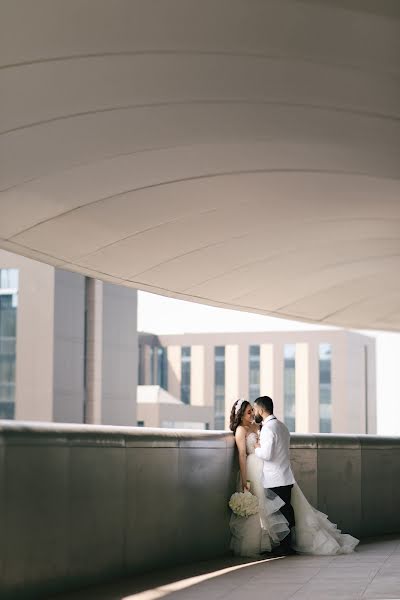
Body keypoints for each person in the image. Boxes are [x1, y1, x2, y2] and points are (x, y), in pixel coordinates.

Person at [253, 395, 360, 556]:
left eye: (255, 409)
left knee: (280, 514)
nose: (254, 412)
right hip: (285, 476)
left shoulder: (268, 428)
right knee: (287, 512)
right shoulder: (281, 426)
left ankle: (285, 546)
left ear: (261, 410)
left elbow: (267, 455)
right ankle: (287, 545)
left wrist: (256, 448)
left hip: (274, 478)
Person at [229, 398, 290, 557]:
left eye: (252, 411)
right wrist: (245, 480)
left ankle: (270, 541)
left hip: (264, 468)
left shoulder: (257, 426)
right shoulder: (241, 430)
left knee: (267, 505)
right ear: (241, 414)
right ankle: (256, 543)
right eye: (249, 412)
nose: (252, 414)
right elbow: (242, 455)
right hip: (252, 468)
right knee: (256, 506)